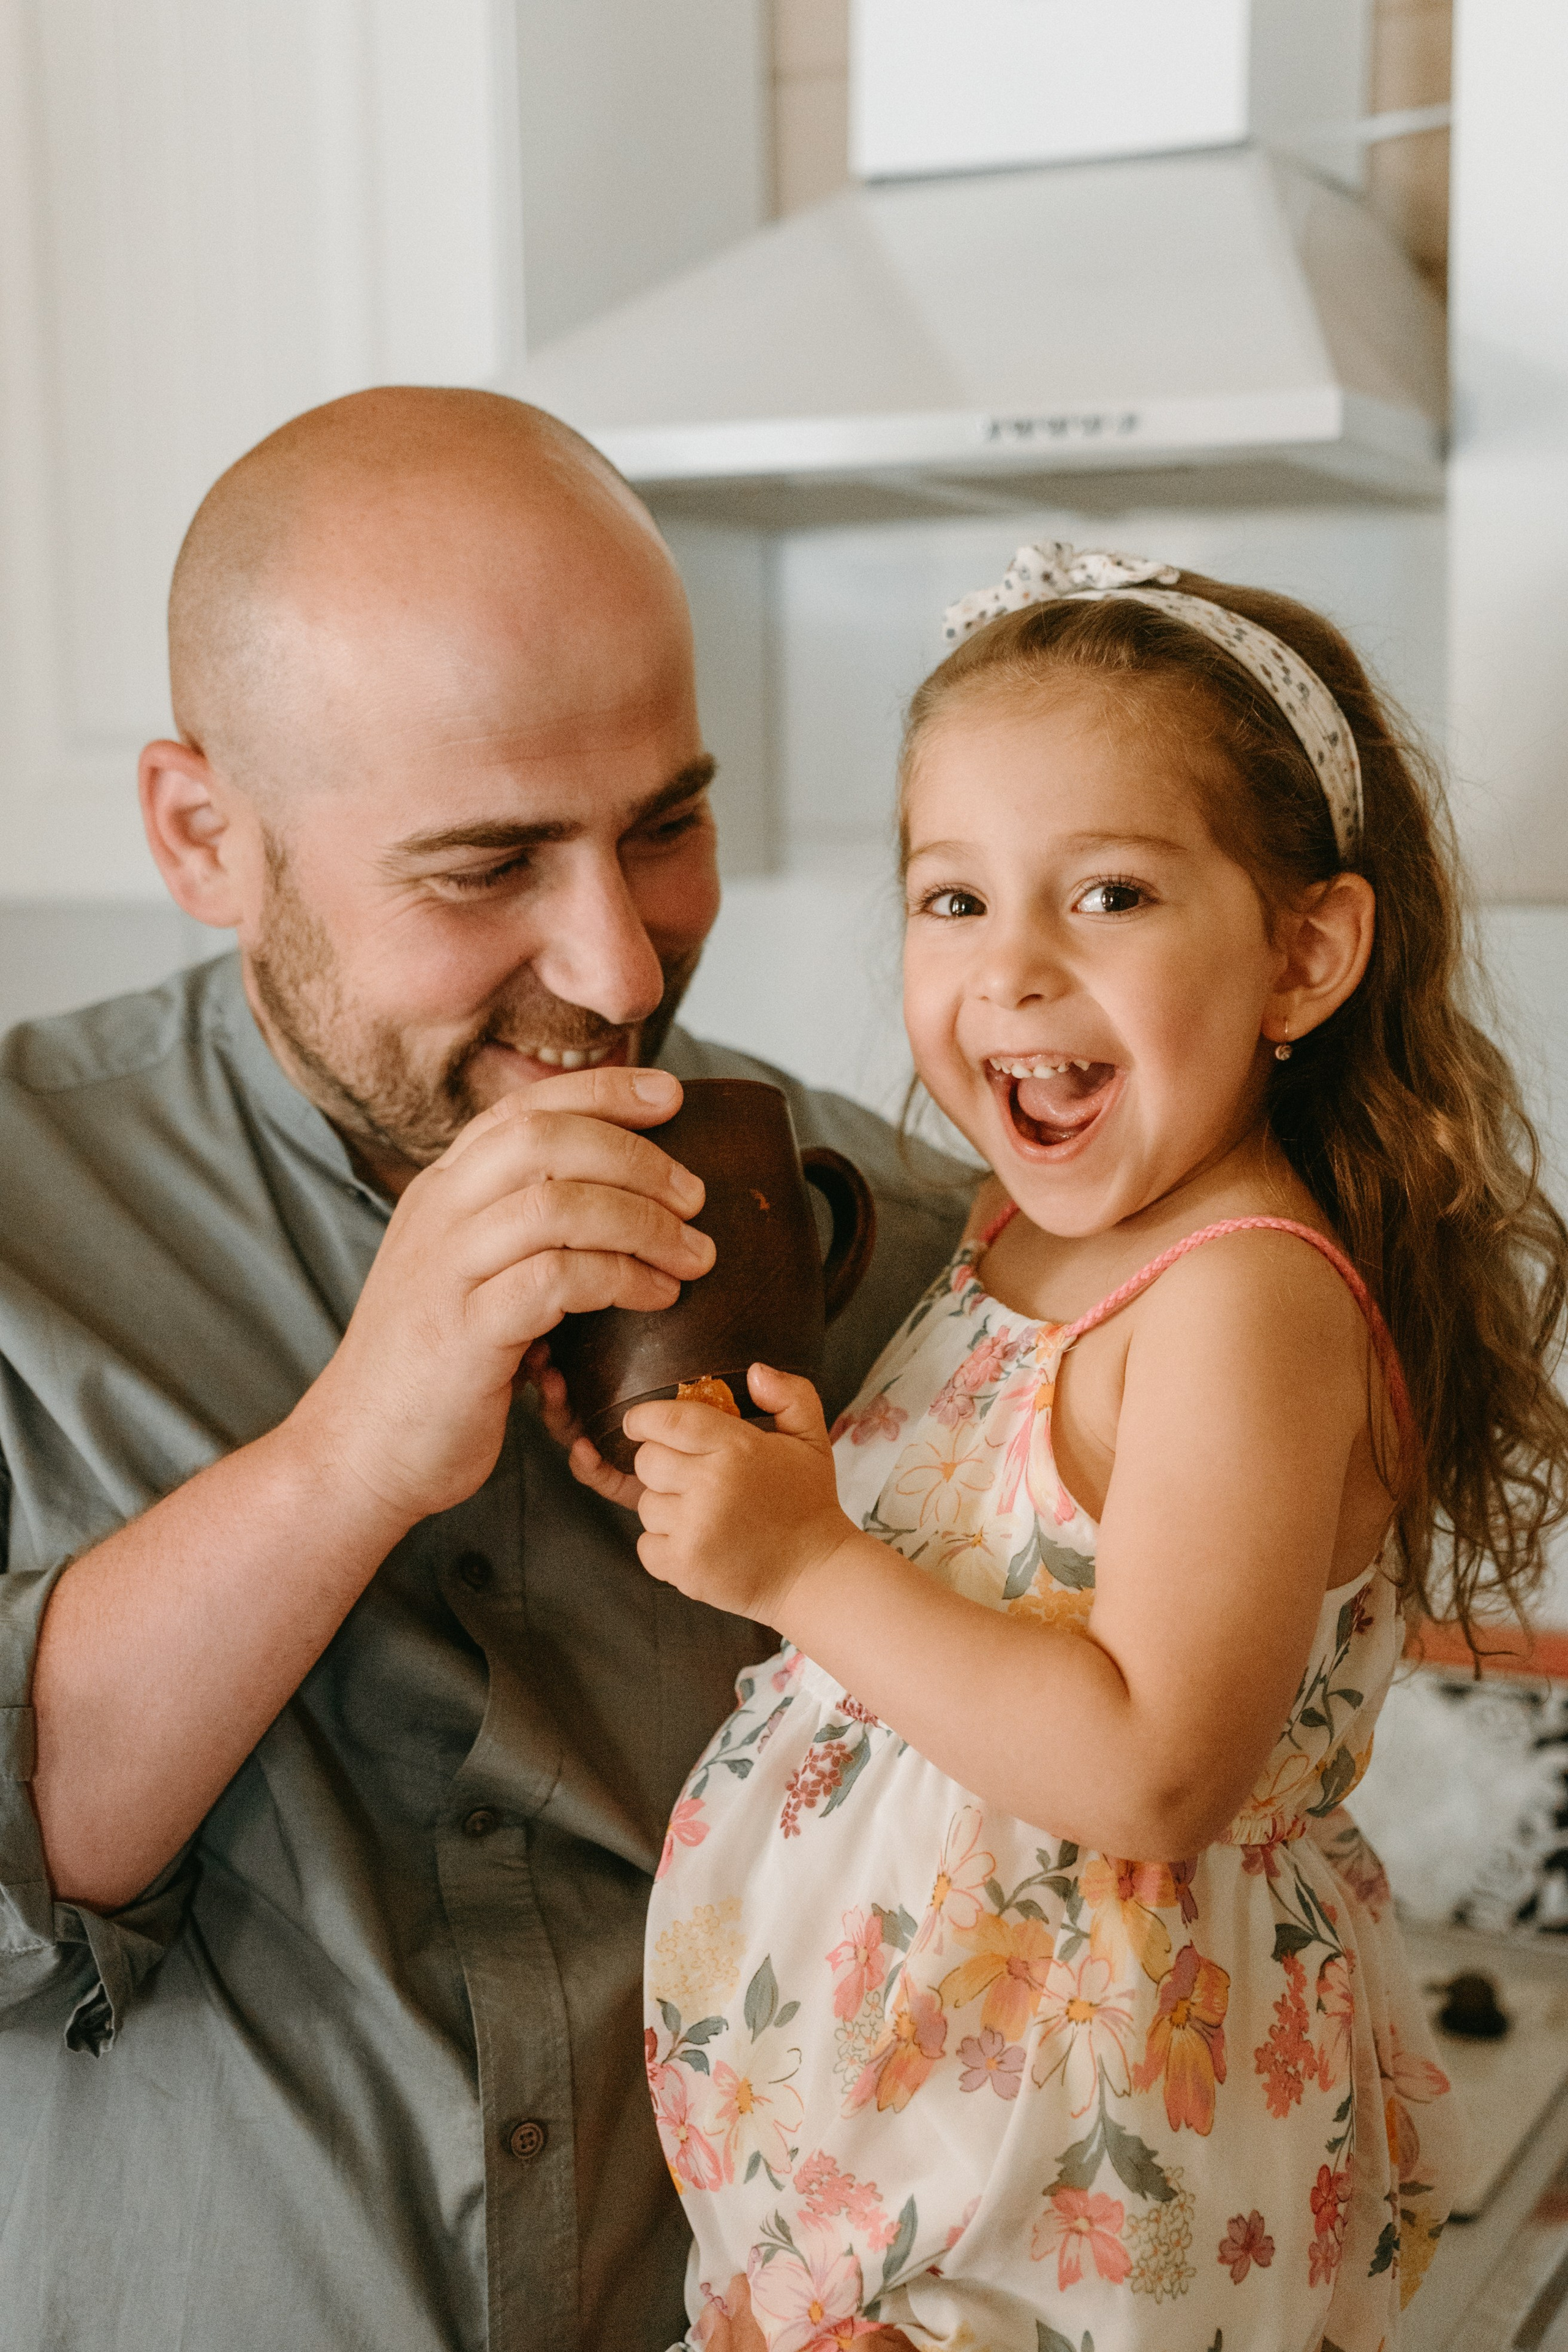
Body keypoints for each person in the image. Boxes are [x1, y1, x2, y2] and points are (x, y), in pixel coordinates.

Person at [0, 388, 971, 2352]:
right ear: (205, 831)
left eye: (668, 826)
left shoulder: (901, 1246)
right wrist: (351, 1451)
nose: (619, 965)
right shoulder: (25, 1220)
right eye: (484, 866)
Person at [569, 542, 1568, 2350]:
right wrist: (755, 1494)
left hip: (1092, 2206)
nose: (1012, 969)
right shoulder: (1014, 1235)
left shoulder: (1241, 1299)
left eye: (1107, 894)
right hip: (896, 2198)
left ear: (1305, 954)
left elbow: (1152, 1772)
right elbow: (958, 1619)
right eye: (950, 900)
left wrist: (809, 1563)